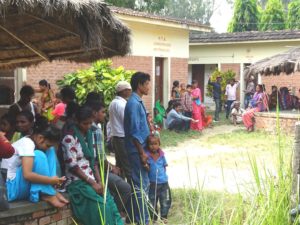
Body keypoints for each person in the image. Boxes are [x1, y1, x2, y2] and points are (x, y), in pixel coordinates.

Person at [61, 106, 122, 225]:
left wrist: (100, 182)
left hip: (92, 178)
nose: (88, 126)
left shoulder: (90, 136)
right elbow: (73, 166)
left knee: (110, 204)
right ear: (77, 121)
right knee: (101, 208)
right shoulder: (69, 138)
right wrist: (92, 183)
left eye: (90, 123)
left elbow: (94, 162)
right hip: (77, 181)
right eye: (85, 123)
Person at [6, 116, 68, 207]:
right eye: (47, 144)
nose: (48, 147)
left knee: (50, 151)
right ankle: (47, 193)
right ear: (40, 138)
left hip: (19, 187)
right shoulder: (27, 143)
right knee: (39, 155)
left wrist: (53, 180)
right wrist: (50, 180)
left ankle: (50, 190)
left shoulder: (36, 144)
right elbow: (27, 175)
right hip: (10, 189)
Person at [87, 101, 131, 218]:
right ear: (95, 113)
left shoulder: (96, 128)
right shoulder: (95, 130)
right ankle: (114, 214)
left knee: (119, 178)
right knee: (126, 188)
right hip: (96, 171)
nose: (104, 115)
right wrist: (111, 168)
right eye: (102, 112)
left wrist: (112, 166)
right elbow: (100, 159)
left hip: (96, 168)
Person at [124, 72, 151, 225]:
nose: (148, 86)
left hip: (140, 148)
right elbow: (134, 132)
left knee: (140, 185)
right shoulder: (133, 104)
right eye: (147, 83)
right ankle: (143, 221)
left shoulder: (137, 101)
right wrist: (142, 153)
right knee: (141, 186)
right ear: (140, 85)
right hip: (136, 150)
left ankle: (134, 217)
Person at [109, 81, 132, 182]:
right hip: (122, 137)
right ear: (124, 91)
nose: (130, 92)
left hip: (116, 136)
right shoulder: (121, 104)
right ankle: (131, 189)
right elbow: (127, 121)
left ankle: (120, 186)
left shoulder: (114, 103)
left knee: (120, 164)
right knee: (127, 164)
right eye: (129, 90)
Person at [146, 135, 171, 223]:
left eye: (155, 144)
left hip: (163, 182)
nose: (153, 146)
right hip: (152, 183)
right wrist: (146, 165)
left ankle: (164, 217)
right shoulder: (147, 156)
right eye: (151, 144)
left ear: (159, 144)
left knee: (165, 200)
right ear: (147, 145)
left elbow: (164, 166)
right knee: (152, 201)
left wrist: (163, 177)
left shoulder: (162, 155)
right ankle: (154, 218)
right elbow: (147, 169)